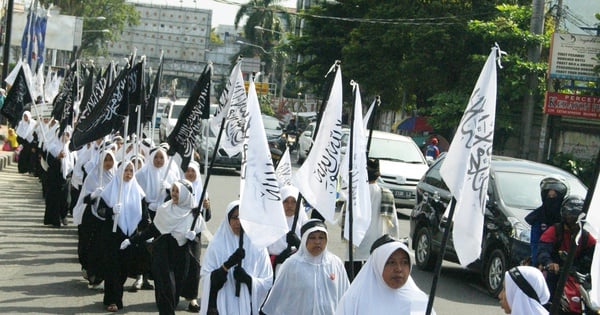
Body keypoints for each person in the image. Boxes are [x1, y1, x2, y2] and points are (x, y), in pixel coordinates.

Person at [120, 179, 207, 315]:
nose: (174, 193)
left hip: (182, 255)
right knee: (165, 287)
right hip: (163, 252)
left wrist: (193, 237)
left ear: (185, 194)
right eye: (173, 190)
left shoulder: (194, 214)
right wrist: (131, 240)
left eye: (178, 191)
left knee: (175, 290)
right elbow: (152, 230)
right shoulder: (165, 209)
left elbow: (197, 238)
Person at [261, 219, 350, 314]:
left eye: (321, 238)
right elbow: (276, 296)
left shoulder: (335, 263)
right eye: (312, 238)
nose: (317, 242)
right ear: (304, 239)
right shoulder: (292, 264)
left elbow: (346, 297)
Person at [200, 200, 273, 315]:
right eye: (235, 218)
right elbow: (206, 278)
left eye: (242, 218)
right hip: (222, 305)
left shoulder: (257, 245)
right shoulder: (217, 244)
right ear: (228, 219)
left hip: (247, 307)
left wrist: (248, 280)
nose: (238, 222)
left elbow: (267, 280)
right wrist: (226, 267)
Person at [96, 161, 151, 312]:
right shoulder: (110, 190)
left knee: (124, 269)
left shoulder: (138, 192)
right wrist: (111, 210)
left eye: (131, 171)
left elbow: (144, 215)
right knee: (113, 268)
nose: (128, 173)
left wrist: (148, 233)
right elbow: (100, 210)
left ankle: (114, 295)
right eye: (125, 170)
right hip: (112, 235)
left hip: (130, 237)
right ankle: (113, 300)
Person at [335, 234, 434, 314]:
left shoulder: (420, 301)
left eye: (404, 262)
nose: (398, 269)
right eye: (391, 262)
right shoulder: (354, 300)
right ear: (378, 265)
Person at [537, 196, 596, 314]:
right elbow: (543, 250)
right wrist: (549, 263)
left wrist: (584, 268)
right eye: (570, 217)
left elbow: (594, 256)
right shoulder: (555, 230)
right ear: (564, 216)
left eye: (576, 218)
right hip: (555, 271)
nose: (573, 221)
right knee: (547, 295)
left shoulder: (585, 236)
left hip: (576, 273)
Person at [344, 158, 399, 277]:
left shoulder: (354, 194)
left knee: (352, 282)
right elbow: (393, 224)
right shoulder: (386, 194)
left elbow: (342, 221)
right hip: (376, 245)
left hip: (356, 244)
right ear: (378, 175)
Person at [181, 160, 211, 312]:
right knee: (178, 264)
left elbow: (207, 217)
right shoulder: (178, 187)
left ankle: (192, 298)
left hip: (195, 234)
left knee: (194, 265)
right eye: (187, 171)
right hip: (178, 232)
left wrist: (206, 207)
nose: (190, 174)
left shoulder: (203, 191)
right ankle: (173, 295)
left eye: (193, 171)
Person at [525, 175, 569, 266]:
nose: (551, 198)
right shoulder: (538, 217)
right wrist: (538, 263)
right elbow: (535, 243)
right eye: (549, 196)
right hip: (543, 260)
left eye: (555, 196)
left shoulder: (567, 217)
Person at [267, 185, 308, 271]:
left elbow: (311, 252)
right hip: (273, 268)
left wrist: (298, 244)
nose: (290, 205)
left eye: (293, 202)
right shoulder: (270, 221)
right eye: (286, 201)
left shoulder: (303, 222)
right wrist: (276, 259)